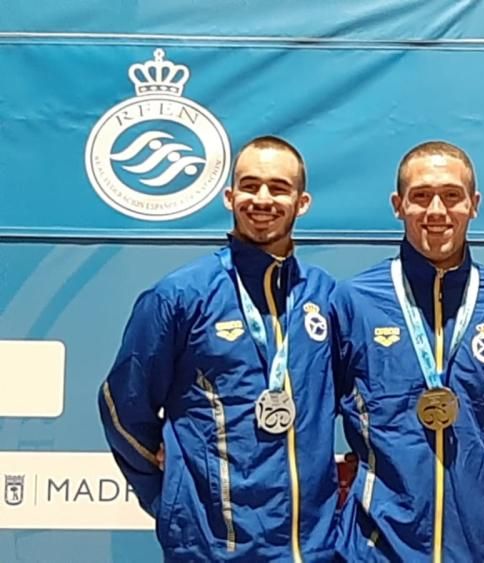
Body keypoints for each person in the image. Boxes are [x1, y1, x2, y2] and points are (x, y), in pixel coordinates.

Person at [97, 136, 339, 562]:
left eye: (279, 188)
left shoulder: (326, 298)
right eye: (250, 185)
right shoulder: (179, 296)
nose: (262, 199)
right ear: (230, 196)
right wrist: (173, 502)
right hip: (210, 549)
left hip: (312, 549)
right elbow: (123, 410)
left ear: (302, 202)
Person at [330, 141, 484, 562]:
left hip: (479, 549)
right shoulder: (353, 303)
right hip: (374, 550)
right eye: (421, 196)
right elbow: (309, 426)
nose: (436, 210)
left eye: (451, 196)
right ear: (397, 205)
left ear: (474, 205)